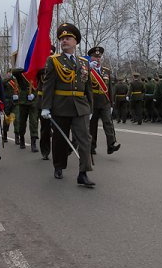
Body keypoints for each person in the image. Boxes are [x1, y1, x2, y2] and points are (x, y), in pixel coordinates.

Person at [41, 23, 95, 187]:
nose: (64, 41)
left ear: (75, 41)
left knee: (85, 139)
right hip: (61, 106)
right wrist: (46, 106)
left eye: (68, 38)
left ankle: (83, 173)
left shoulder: (84, 63)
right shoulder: (54, 61)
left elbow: (88, 87)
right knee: (59, 140)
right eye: (62, 39)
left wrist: (90, 107)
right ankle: (59, 166)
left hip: (81, 106)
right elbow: (48, 85)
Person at [87, 46, 121, 155]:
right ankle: (92, 146)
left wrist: (111, 103)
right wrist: (88, 69)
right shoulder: (87, 70)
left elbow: (110, 88)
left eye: (99, 57)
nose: (97, 59)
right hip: (92, 102)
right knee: (92, 126)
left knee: (108, 123)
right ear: (90, 58)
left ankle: (111, 145)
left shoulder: (106, 71)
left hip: (105, 101)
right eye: (95, 57)